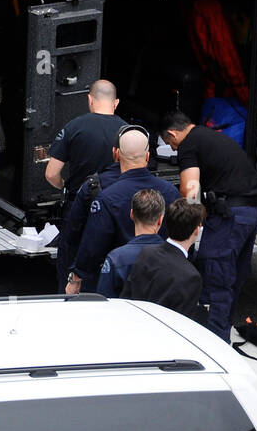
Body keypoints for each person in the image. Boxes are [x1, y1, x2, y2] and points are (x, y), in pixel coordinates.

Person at [161, 110, 257, 342]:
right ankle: (224, 332)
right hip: (252, 211)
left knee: (215, 278)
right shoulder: (211, 137)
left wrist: (189, 222)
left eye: (172, 145)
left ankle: (214, 343)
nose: (175, 150)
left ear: (172, 134)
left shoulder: (188, 144)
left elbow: (190, 189)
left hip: (230, 216)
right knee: (233, 277)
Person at [68, 126, 179, 294]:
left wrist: (76, 278)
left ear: (116, 155)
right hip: (164, 277)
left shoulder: (107, 197)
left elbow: (93, 244)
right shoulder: (170, 192)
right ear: (147, 156)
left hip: (119, 277)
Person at [45, 80, 125, 291]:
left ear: (90, 99)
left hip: (79, 208)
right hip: (118, 207)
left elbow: (51, 173)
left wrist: (64, 185)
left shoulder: (74, 126)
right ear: (115, 103)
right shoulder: (127, 131)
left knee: (71, 261)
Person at [122, 198, 207, 322]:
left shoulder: (147, 253)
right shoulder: (191, 277)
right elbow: (182, 324)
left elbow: (127, 296)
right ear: (196, 230)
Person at [95, 188, 166, 298]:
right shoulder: (175, 255)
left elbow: (105, 301)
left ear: (132, 214)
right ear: (160, 219)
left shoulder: (117, 258)